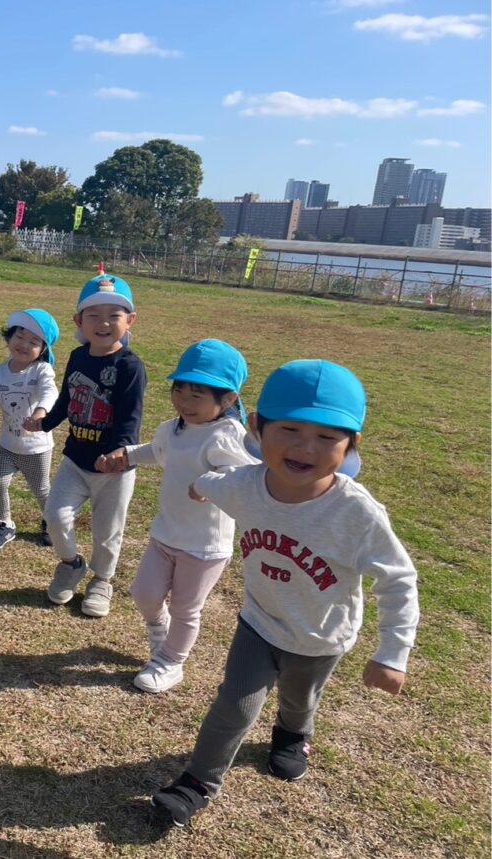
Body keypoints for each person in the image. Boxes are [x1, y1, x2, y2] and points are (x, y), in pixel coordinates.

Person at [151, 359, 420, 827]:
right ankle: (197, 783)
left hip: (320, 638)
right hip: (258, 623)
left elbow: (398, 579)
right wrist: (198, 487)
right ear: (256, 428)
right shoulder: (244, 484)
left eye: (327, 437)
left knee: (298, 701)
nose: (304, 448)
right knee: (233, 706)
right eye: (290, 429)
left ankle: (293, 734)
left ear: (351, 444)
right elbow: (212, 481)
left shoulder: (356, 513)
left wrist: (393, 653)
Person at [97, 339, 258, 693]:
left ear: (228, 399)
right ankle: (160, 631)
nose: (184, 402)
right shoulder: (174, 428)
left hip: (204, 546)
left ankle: (171, 661)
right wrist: (126, 455)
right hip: (166, 533)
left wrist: (209, 483)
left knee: (187, 609)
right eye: (179, 390)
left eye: (196, 395)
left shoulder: (228, 435)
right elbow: (157, 452)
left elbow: (248, 476)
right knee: (144, 593)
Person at [23, 273, 146, 617]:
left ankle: (102, 581)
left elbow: (130, 417)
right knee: (55, 516)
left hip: (116, 469)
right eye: (93, 314)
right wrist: (44, 422)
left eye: (114, 315)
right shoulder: (78, 356)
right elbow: (67, 400)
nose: (103, 323)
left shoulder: (131, 367)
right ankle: (71, 563)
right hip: (76, 460)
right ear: (79, 320)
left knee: (108, 533)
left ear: (130, 320)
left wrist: (122, 450)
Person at [0, 309, 61, 551]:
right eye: (19, 336)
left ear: (44, 349)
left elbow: (51, 392)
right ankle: (4, 523)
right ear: (9, 337)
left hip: (36, 447)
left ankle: (52, 522)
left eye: (34, 341)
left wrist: (41, 413)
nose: (24, 344)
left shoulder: (41, 371)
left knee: (41, 489)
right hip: (7, 445)